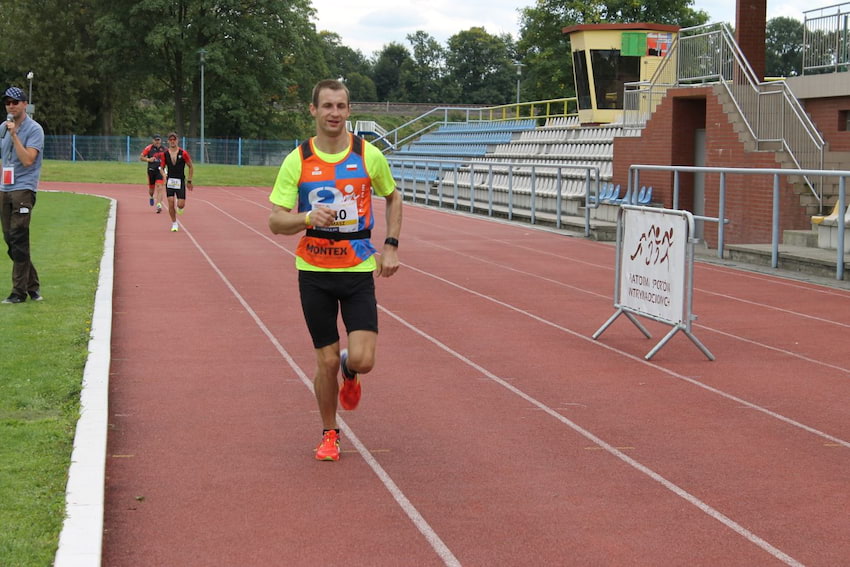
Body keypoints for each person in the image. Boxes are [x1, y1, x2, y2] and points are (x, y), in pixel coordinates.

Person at [268, 79, 402, 462]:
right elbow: (275, 222)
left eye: (341, 106)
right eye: (327, 106)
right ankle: (330, 431)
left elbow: (393, 197)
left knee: (362, 360)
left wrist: (390, 245)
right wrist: (307, 217)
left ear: (349, 110)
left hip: (358, 265)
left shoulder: (368, 155)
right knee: (323, 360)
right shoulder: (298, 160)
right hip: (313, 268)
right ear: (313, 110)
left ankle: (350, 368)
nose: (334, 114)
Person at [1, 86, 45, 304]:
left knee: (18, 236)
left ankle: (18, 293)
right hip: (5, 189)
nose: (11, 105)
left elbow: (28, 160)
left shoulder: (34, 129)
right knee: (10, 239)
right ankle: (33, 286)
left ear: (24, 104)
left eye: (15, 102)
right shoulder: (2, 128)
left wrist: (14, 135)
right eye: (8, 102)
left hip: (24, 188)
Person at [158, 132, 194, 232]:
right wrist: (164, 175)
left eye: (174, 140)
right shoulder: (164, 154)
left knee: (181, 204)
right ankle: (174, 223)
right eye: (170, 140)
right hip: (170, 181)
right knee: (170, 202)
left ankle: (180, 207)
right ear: (168, 141)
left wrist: (189, 180)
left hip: (180, 181)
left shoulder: (183, 153)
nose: (172, 141)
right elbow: (161, 167)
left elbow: (190, 166)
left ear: (177, 140)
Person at [140, 134, 166, 213]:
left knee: (160, 187)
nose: (157, 142)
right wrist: (148, 159)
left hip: (160, 171)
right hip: (151, 170)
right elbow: (141, 157)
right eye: (156, 140)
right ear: (153, 141)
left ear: (160, 141)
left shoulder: (164, 149)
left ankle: (158, 205)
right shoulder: (149, 148)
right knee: (151, 189)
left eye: (158, 140)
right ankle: (151, 197)